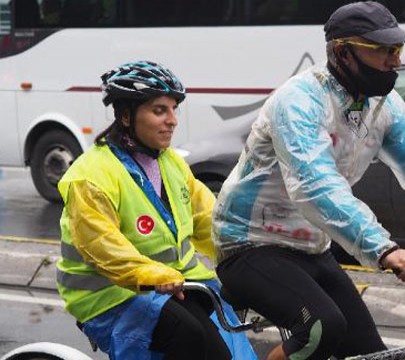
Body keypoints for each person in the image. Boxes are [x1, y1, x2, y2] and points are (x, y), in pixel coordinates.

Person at [212, 2, 405, 359]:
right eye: (384, 52)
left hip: (312, 247)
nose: (396, 61)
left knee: (370, 354)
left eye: (398, 50)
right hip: (250, 245)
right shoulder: (299, 100)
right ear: (343, 53)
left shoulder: (384, 106)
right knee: (321, 328)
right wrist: (385, 249)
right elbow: (315, 185)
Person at [55, 61, 256, 360]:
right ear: (126, 116)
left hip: (169, 286)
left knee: (227, 339)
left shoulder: (171, 163)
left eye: (174, 109)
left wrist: (255, 247)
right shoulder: (91, 175)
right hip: (108, 295)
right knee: (193, 336)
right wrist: (152, 273)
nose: (173, 120)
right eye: (159, 110)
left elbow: (210, 220)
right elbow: (103, 247)